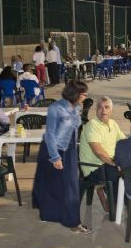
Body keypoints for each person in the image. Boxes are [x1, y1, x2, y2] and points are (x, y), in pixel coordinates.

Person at [32, 81, 91, 234]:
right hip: (54, 150)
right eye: (83, 94)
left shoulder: (77, 107)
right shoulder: (55, 108)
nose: (86, 97)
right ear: (75, 94)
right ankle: (73, 222)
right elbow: (50, 134)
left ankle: (67, 218)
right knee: (57, 185)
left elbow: (74, 130)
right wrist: (55, 157)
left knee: (68, 185)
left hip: (70, 148)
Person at [79, 96, 126, 213]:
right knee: (116, 172)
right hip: (94, 167)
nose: (103, 110)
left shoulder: (113, 124)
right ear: (96, 110)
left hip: (108, 163)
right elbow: (98, 151)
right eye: (100, 107)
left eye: (106, 107)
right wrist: (115, 163)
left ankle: (125, 199)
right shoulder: (92, 125)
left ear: (111, 110)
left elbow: (124, 142)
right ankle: (113, 204)